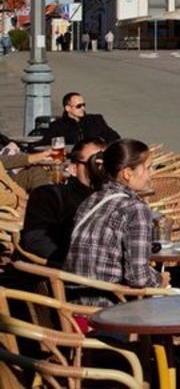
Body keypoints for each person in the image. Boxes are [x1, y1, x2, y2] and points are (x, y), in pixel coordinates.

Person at [64, 139, 163, 302]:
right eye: (147, 168)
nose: (150, 174)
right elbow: (138, 278)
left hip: (75, 306)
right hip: (110, 309)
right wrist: (161, 280)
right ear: (127, 174)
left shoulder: (91, 200)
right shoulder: (135, 209)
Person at [20, 138, 106, 265]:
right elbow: (35, 239)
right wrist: (76, 261)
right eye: (93, 163)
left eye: (105, 163)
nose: (99, 169)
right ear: (73, 169)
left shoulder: (116, 198)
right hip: (73, 272)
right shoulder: (50, 195)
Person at [40, 92, 121, 146]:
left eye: (84, 105)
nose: (83, 108)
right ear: (68, 108)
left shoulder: (95, 120)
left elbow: (113, 136)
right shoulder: (57, 126)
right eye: (78, 106)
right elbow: (45, 144)